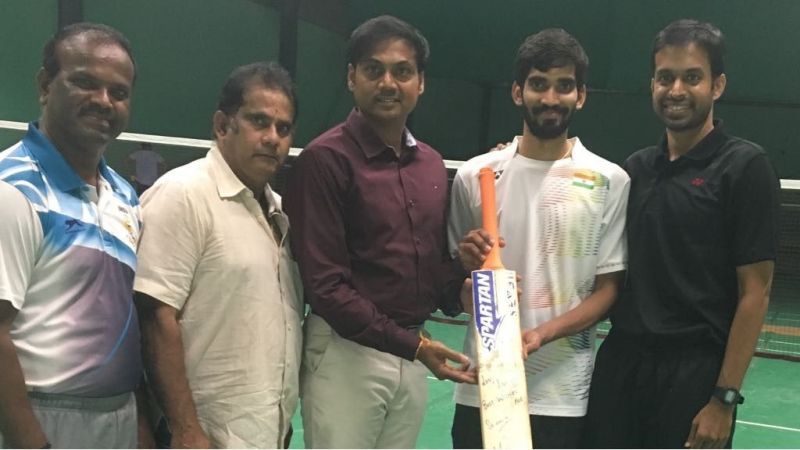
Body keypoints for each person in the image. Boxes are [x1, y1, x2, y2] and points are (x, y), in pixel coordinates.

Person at [583, 19, 780, 449]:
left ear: (718, 85)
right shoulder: (634, 169)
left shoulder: (745, 168)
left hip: (694, 377)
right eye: (665, 77)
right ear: (652, 83)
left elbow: (755, 293)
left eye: (692, 77)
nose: (676, 90)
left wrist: (723, 399)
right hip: (621, 367)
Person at [284, 15, 476, 449]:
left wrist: (460, 279)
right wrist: (412, 346)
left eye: (402, 71)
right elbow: (326, 286)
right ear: (352, 78)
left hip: (413, 353)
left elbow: (430, 275)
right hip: (346, 354)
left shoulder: (430, 165)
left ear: (420, 83)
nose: (388, 82)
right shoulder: (325, 161)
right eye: (374, 70)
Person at [449, 29, 630, 449]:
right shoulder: (475, 176)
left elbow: (608, 291)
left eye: (564, 86)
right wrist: (465, 274)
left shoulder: (610, 180)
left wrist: (541, 334)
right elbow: (456, 285)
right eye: (538, 84)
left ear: (580, 95)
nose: (550, 98)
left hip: (562, 394)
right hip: (483, 385)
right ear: (517, 91)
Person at [133, 62, 302, 449]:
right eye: (259, 121)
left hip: (265, 434)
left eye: (284, 127)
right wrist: (185, 429)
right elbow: (156, 318)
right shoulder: (183, 194)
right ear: (223, 125)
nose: (272, 137)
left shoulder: (280, 213)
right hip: (202, 437)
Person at [0, 23, 141, 448]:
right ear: (45, 85)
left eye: (119, 93)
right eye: (84, 82)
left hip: (119, 414)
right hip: (39, 418)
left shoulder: (125, 196)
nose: (104, 101)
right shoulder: (13, 189)